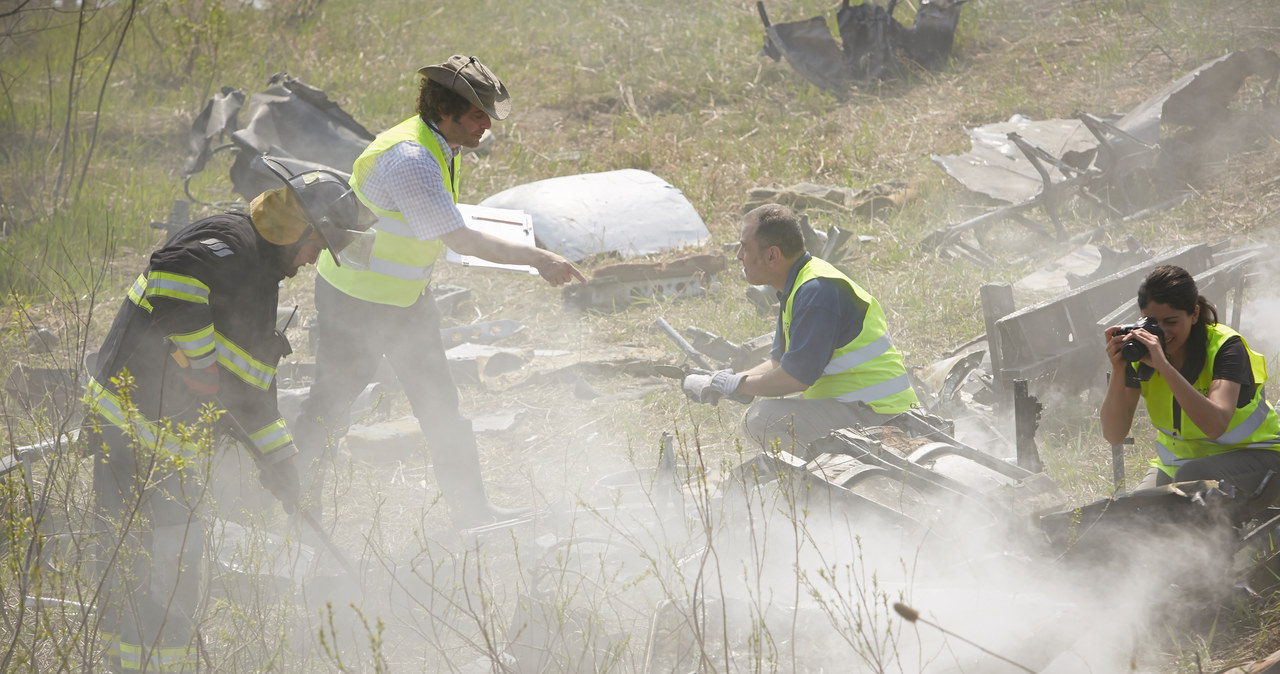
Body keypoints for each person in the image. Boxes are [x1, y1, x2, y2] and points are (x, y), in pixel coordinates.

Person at [84, 157, 374, 672]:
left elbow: (251, 394)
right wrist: (199, 359)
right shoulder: (229, 242)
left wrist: (282, 463)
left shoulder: (260, 278)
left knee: (158, 565)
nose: (312, 261)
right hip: (134, 432)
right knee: (157, 567)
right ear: (296, 230)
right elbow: (170, 274)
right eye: (316, 246)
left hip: (166, 444)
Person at [292, 54, 584, 530]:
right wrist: (538, 258)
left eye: (488, 114)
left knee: (440, 405)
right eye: (476, 115)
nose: (486, 126)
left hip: (405, 303)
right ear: (445, 111)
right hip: (357, 303)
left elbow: (432, 225)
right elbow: (461, 240)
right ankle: (298, 510)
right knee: (329, 408)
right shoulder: (411, 158)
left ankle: (471, 512)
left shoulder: (437, 143)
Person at [682, 204, 919, 458]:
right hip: (863, 409)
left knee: (762, 420)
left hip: (884, 418)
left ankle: (825, 485)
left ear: (772, 255)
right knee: (765, 416)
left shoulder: (816, 292)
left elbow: (794, 378)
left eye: (745, 247)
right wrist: (726, 381)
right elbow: (778, 363)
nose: (739, 255)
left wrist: (739, 385)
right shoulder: (799, 285)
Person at [1101, 264, 1280, 495]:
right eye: (1153, 322)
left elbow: (1215, 426)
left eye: (1172, 322)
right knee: (1139, 508)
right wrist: (1118, 367)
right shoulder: (1139, 352)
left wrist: (1164, 368)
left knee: (1190, 484)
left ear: (1194, 314)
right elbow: (1114, 434)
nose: (1163, 332)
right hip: (1179, 465)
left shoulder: (1225, 347)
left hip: (1259, 460)